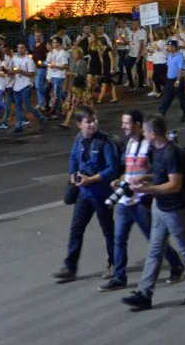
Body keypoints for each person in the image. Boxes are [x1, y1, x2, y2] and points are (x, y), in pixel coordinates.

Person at [121, 114, 185, 309]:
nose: (143, 134)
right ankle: (144, 293)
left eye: (145, 131)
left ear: (153, 134)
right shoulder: (158, 150)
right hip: (160, 207)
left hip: (176, 211)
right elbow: (160, 175)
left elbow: (174, 185)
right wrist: (144, 178)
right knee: (154, 250)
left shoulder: (172, 153)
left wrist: (146, 189)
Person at [100, 109, 185, 291]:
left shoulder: (151, 146)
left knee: (153, 240)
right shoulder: (129, 143)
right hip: (125, 199)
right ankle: (119, 277)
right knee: (119, 239)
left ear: (138, 125)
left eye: (126, 123)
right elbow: (128, 171)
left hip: (142, 200)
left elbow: (159, 175)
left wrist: (143, 180)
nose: (123, 127)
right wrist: (120, 180)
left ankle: (176, 264)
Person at [52, 107, 120, 282]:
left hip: (101, 193)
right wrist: (73, 175)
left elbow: (112, 169)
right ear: (79, 125)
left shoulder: (105, 142)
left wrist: (92, 179)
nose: (93, 124)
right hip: (84, 193)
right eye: (88, 122)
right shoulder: (79, 139)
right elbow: (74, 159)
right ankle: (70, 267)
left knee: (107, 230)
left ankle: (114, 263)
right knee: (76, 229)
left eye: (94, 120)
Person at [159, 40, 185, 122]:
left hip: (177, 80)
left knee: (181, 98)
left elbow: (180, 69)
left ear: (174, 47)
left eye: (169, 46)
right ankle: (161, 113)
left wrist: (178, 81)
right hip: (169, 81)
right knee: (166, 98)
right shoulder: (169, 56)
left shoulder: (179, 57)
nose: (168, 48)